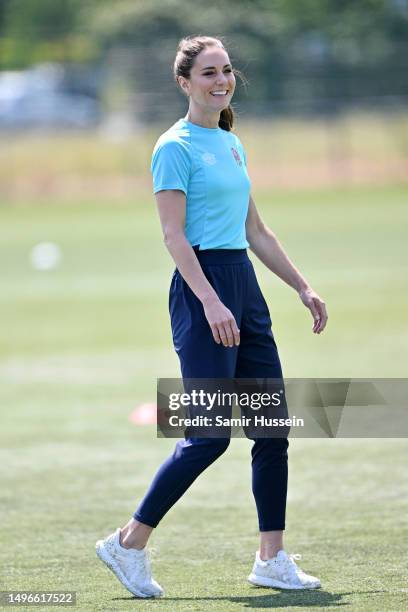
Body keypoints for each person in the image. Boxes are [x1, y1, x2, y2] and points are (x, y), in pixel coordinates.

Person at [95, 35, 328, 599]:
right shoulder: (172, 147)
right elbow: (174, 237)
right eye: (208, 73)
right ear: (184, 82)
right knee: (208, 435)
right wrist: (211, 300)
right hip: (203, 291)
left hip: (243, 287)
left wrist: (301, 285)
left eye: (226, 71)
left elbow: (255, 231)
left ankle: (271, 559)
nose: (221, 81)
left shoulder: (230, 143)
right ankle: (127, 543)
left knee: (272, 429)